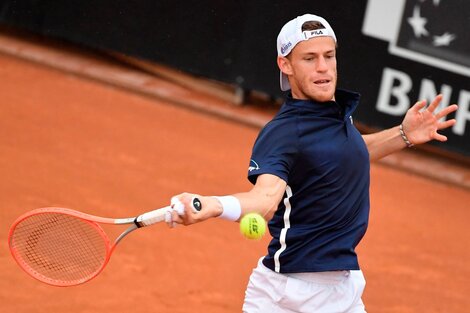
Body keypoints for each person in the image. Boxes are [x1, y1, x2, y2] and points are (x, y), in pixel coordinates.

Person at [168, 13, 459, 313]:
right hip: (289, 296)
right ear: (286, 65)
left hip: (344, 289)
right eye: (309, 58)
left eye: (328, 56)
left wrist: (403, 135)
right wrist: (213, 205)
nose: (323, 67)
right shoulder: (284, 133)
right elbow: (265, 199)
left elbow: (348, 153)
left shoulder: (334, 114)